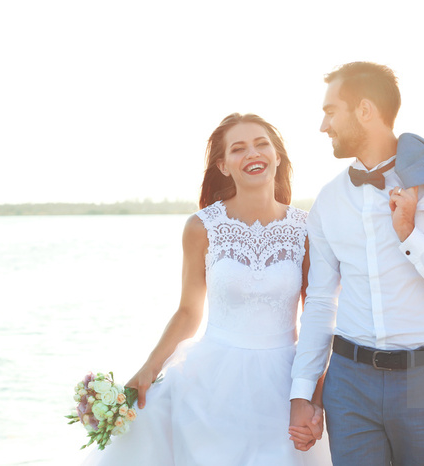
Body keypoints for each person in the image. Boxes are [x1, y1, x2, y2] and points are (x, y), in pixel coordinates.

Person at [82, 113, 332, 466]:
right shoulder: (201, 227)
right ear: (224, 165)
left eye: (262, 144)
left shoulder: (306, 228)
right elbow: (188, 312)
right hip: (211, 383)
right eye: (238, 148)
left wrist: (313, 394)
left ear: (277, 156)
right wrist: (148, 370)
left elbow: (319, 318)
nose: (252, 154)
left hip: (285, 386)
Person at [288, 62, 424, 465]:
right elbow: (321, 302)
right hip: (348, 383)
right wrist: (301, 392)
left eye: (330, 111)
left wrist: (410, 237)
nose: (323, 126)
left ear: (365, 110)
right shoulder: (328, 202)